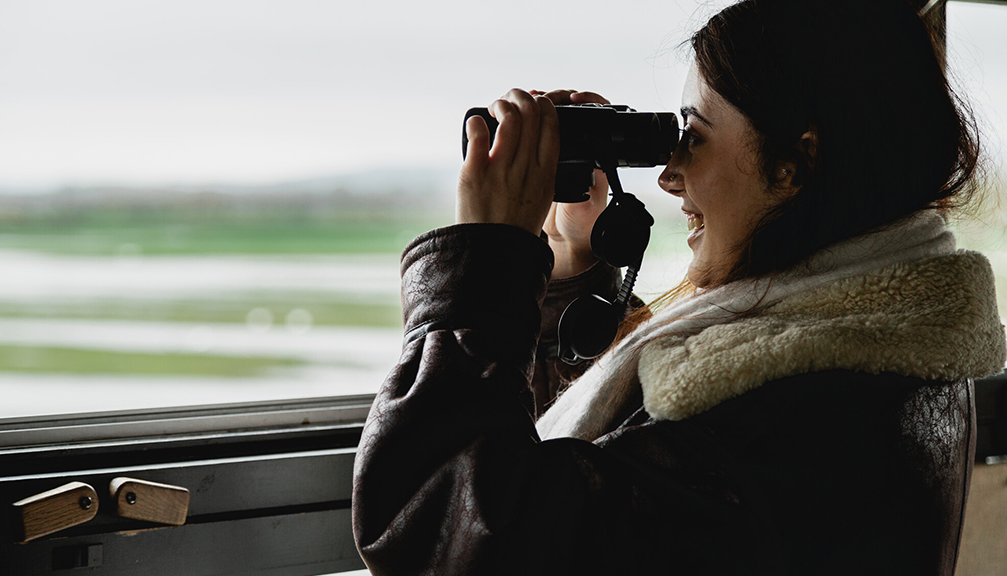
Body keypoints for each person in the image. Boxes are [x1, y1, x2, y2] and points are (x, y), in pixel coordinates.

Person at [352, 0, 1007, 574]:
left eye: (692, 137)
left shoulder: (799, 412)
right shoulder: (860, 345)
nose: (668, 177)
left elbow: (448, 531)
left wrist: (483, 270)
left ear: (795, 163)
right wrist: (569, 263)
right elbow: (591, 490)